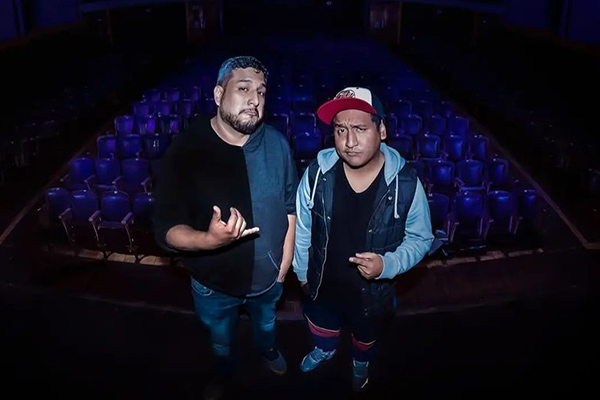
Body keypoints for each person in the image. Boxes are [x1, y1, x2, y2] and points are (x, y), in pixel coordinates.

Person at [153, 56, 298, 399]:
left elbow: (290, 204)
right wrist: (208, 240)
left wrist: (286, 260)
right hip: (213, 285)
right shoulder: (186, 149)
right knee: (220, 340)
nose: (255, 100)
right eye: (244, 89)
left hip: (268, 280)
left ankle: (268, 351)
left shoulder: (277, 143)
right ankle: (223, 372)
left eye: (261, 92)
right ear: (219, 94)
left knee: (267, 326)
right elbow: (165, 229)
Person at [293, 87, 433, 392]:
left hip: (372, 295)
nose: (349, 141)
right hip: (321, 285)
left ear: (381, 130)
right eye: (340, 130)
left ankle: (360, 362)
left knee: (365, 337)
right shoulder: (316, 174)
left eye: (359, 128)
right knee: (321, 327)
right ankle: (324, 350)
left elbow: (421, 238)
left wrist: (387, 265)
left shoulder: (406, 183)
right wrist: (302, 274)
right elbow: (302, 230)